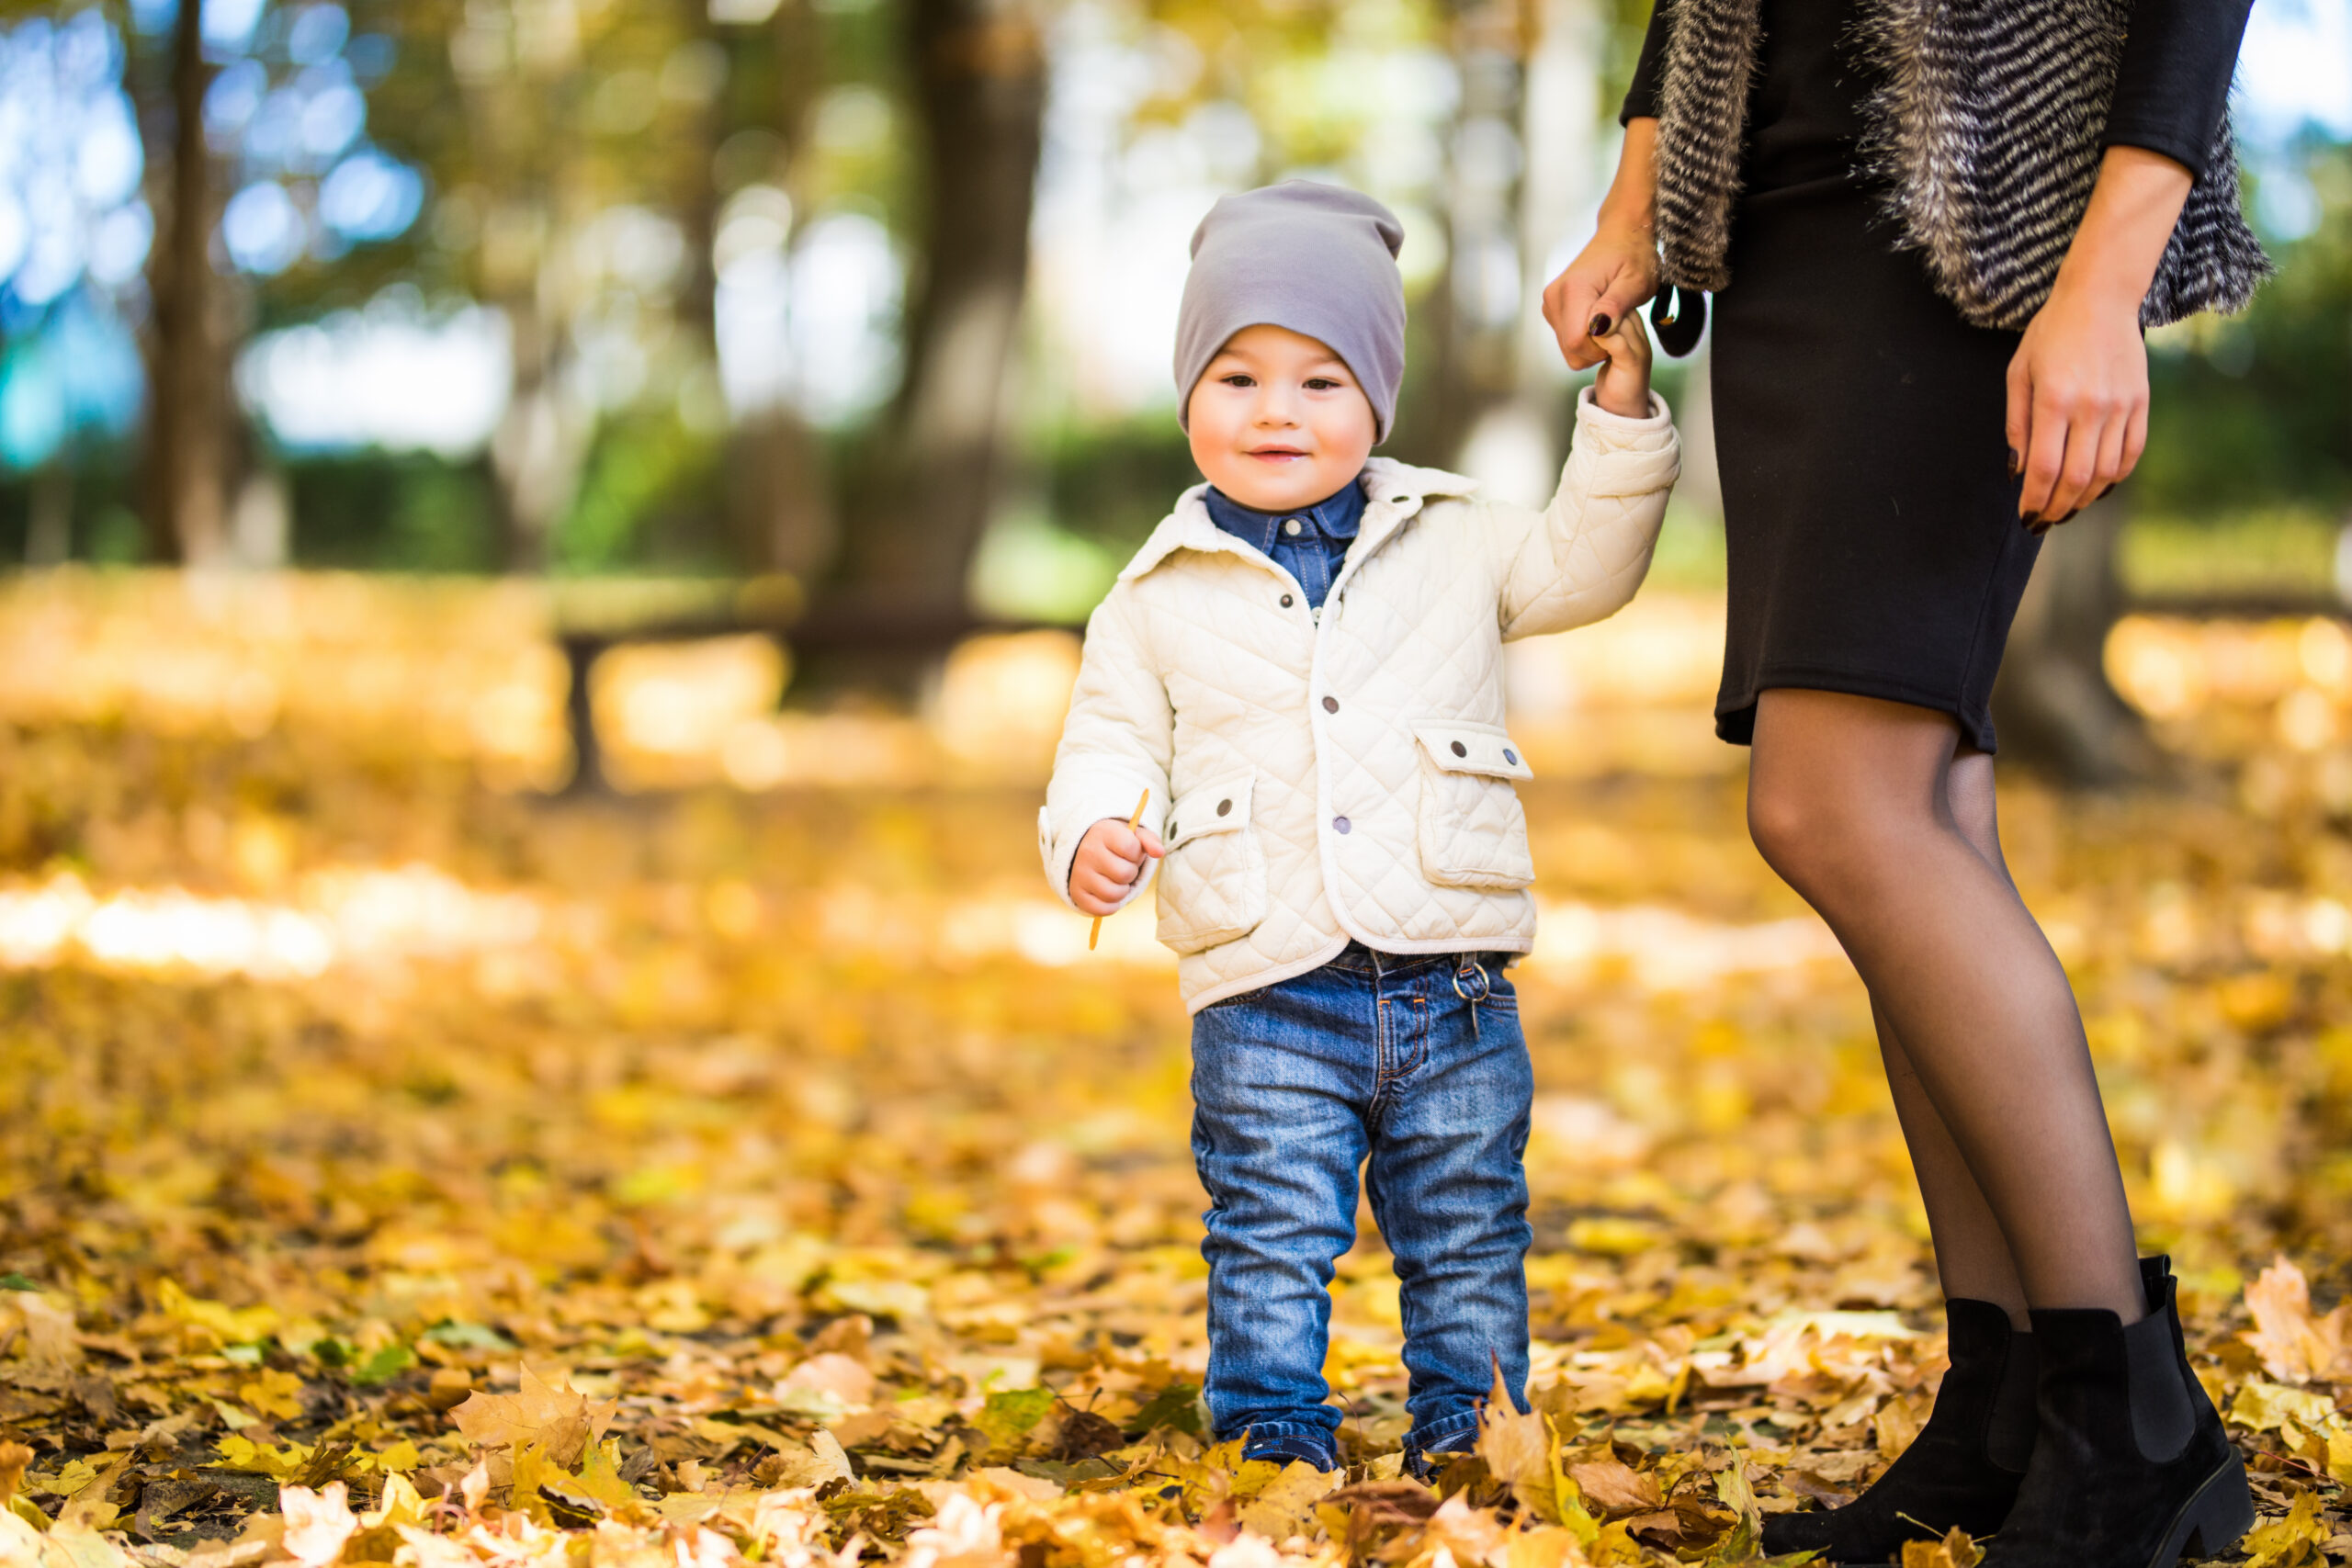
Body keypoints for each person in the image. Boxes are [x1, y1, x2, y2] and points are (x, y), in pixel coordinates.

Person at [1541, 0, 2265, 1562]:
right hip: (1784, 219)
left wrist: (2103, 285)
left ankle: (2132, 1414)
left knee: (1833, 803)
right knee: (1922, 808)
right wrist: (1632, 204)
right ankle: (2008, 1404)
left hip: (1979, 223)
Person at [1038, 181, 1679, 1477]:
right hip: (1265, 985)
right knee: (1270, 1229)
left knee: (1467, 1223)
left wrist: (1618, 415)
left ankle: (1471, 1427)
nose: (1278, 410)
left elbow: (1585, 564)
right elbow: (1105, 741)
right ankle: (1274, 1433)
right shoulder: (1155, 593)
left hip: (1449, 978)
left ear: (1377, 398)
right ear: (1188, 398)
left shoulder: (1452, 537)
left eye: (1322, 381)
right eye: (1238, 378)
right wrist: (1096, 829)